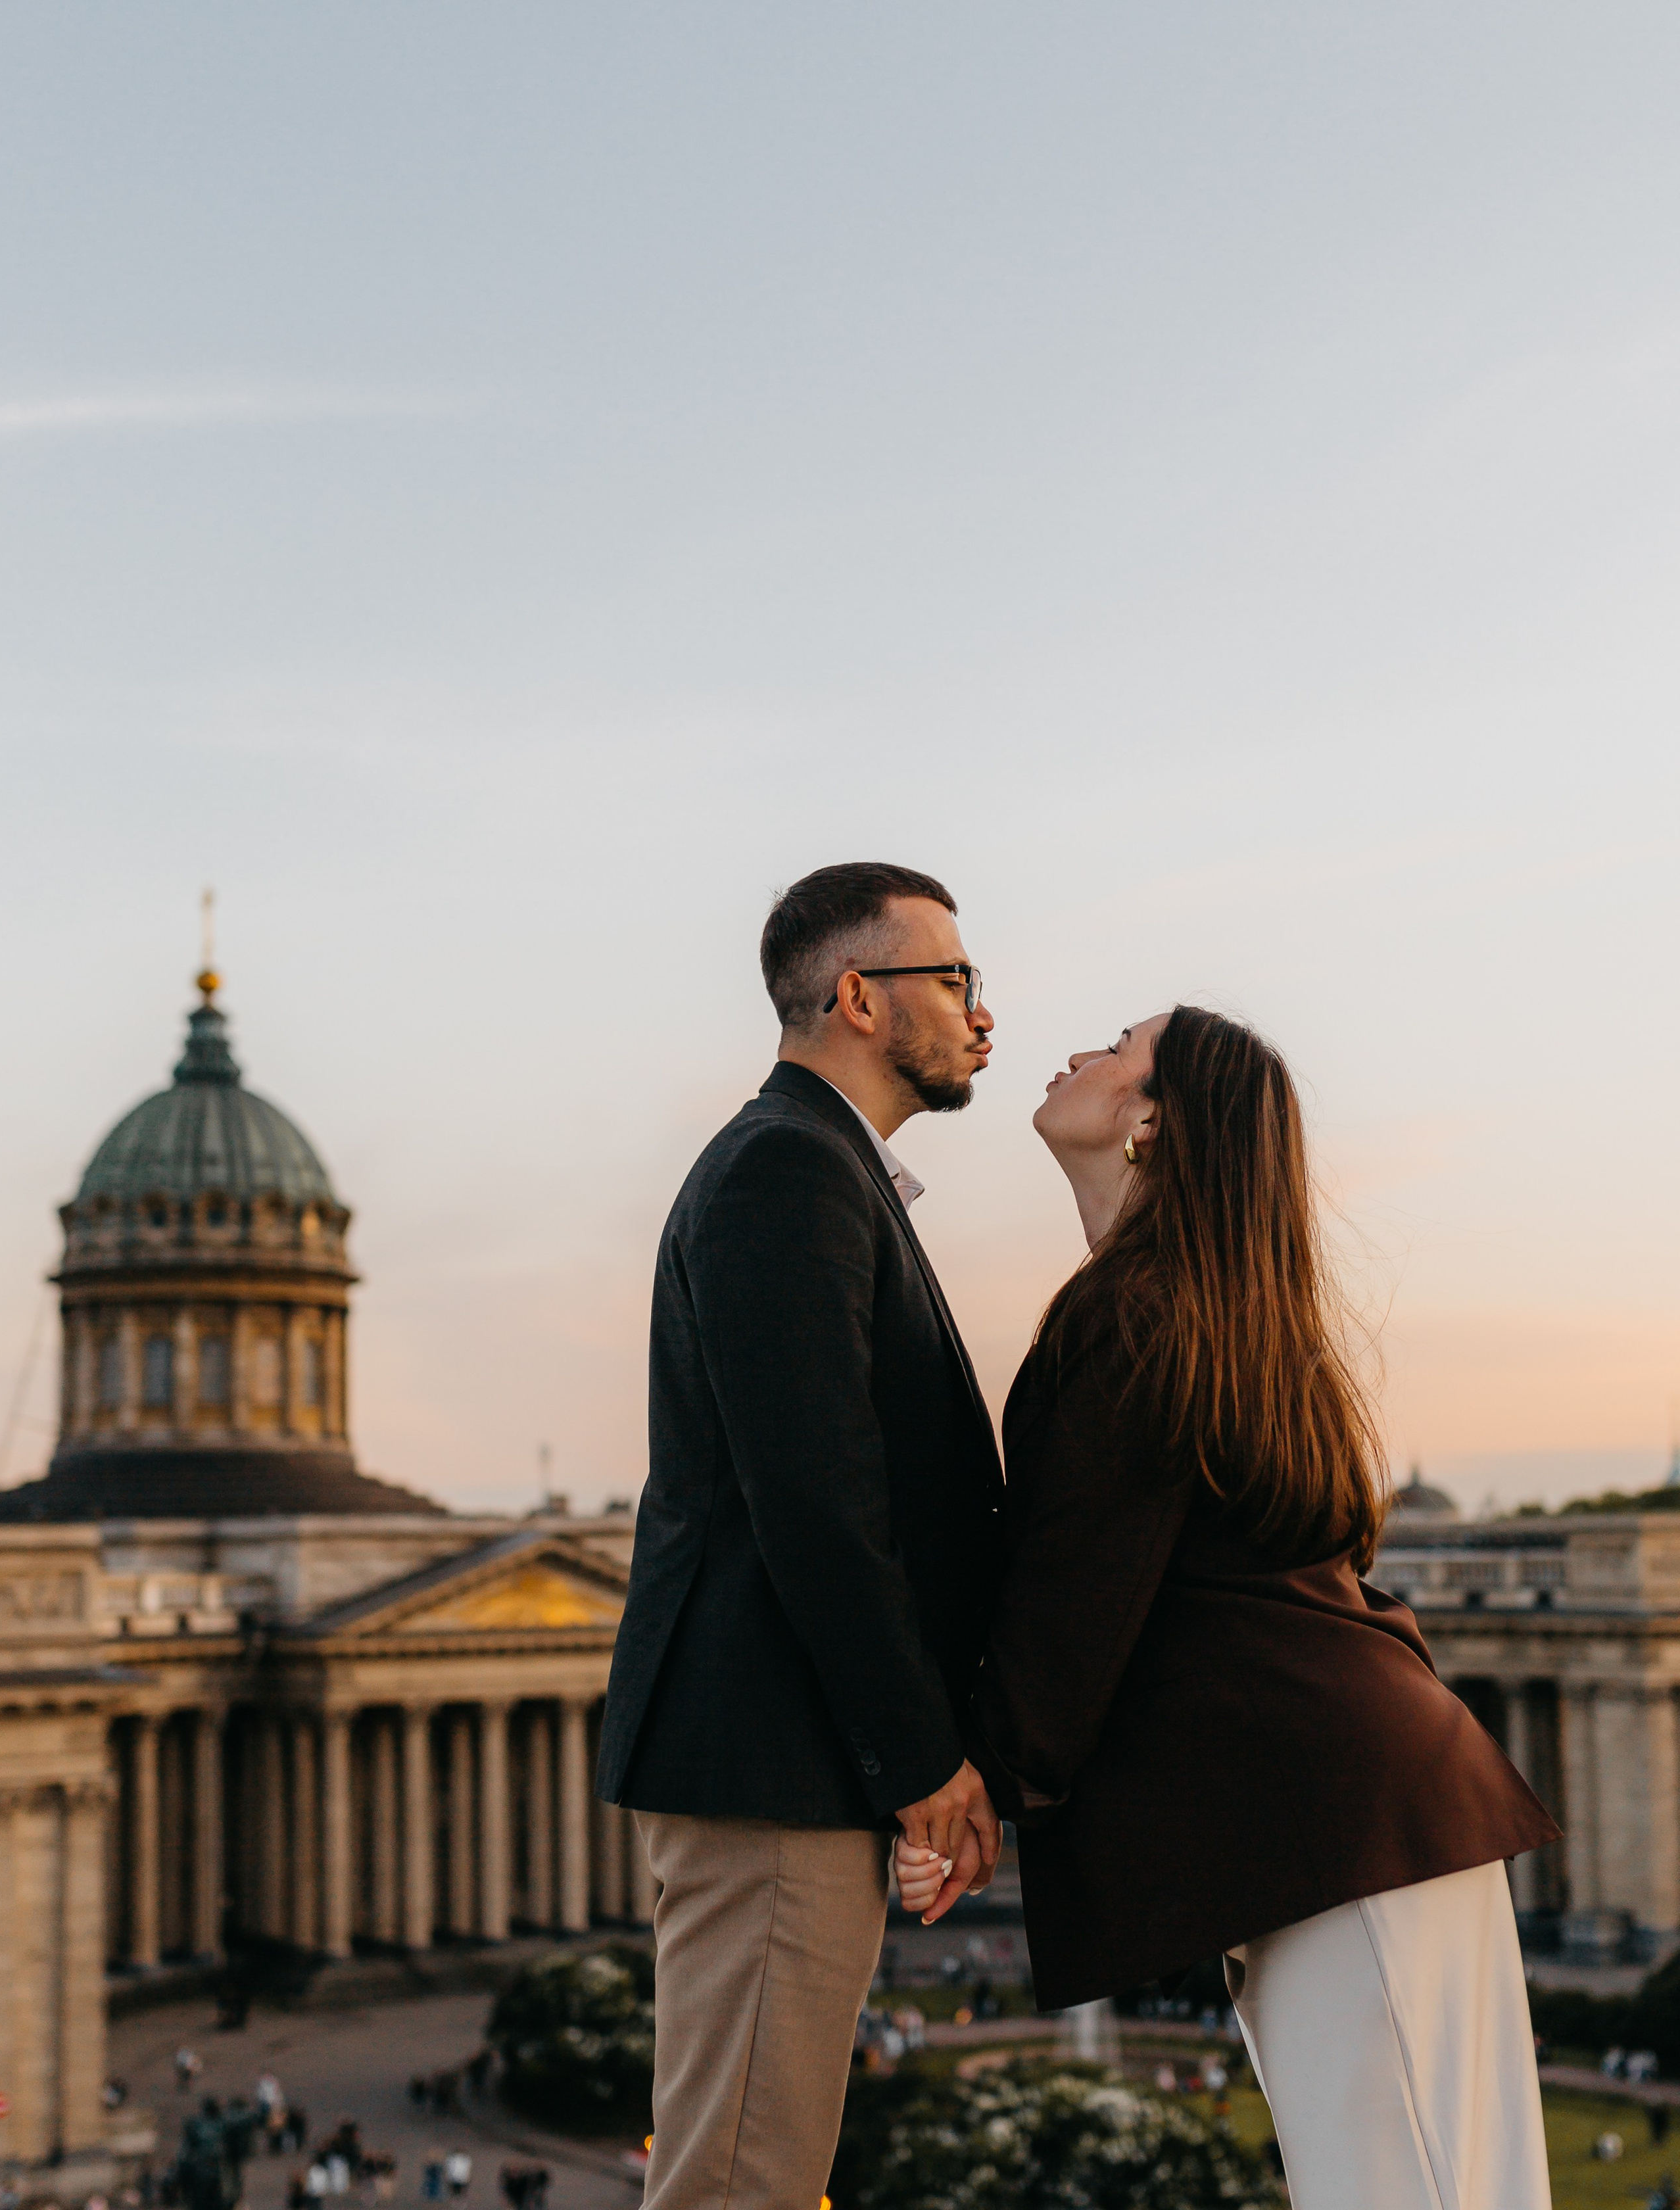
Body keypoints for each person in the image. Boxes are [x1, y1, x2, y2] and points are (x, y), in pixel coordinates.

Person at [898, 1005, 1558, 2210]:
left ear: (1152, 1122)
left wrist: (972, 1786)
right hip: (1373, 1814)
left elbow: (1073, 1603)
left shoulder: (1136, 1316)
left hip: (1342, 1828)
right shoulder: (1209, 1311)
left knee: (1397, 2188)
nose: (1072, 1053)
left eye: (1117, 1045)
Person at [596, 862, 1007, 2210]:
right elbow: (817, 1499)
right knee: (740, 2184)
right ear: (857, 998)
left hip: (779, 1752)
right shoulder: (788, 1165)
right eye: (950, 978)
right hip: (772, 1756)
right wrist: (921, 1755)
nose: (981, 1009)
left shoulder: (816, 1164)